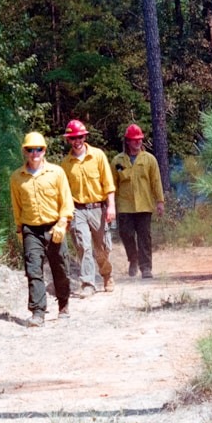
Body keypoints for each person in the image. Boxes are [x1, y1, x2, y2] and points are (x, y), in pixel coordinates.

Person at [9, 132, 74, 327]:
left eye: (38, 149)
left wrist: (62, 223)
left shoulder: (56, 173)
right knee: (33, 269)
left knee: (60, 267)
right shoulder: (17, 178)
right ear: (25, 152)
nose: (34, 153)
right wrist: (20, 229)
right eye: (30, 149)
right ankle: (38, 312)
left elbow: (66, 200)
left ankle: (63, 304)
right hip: (31, 229)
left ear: (44, 150)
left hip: (54, 226)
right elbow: (16, 205)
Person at [59, 119, 117, 296]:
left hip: (98, 208)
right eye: (73, 138)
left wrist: (111, 206)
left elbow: (108, 184)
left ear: (84, 137)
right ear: (69, 140)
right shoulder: (65, 164)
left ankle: (107, 274)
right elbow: (64, 193)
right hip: (77, 210)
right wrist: (65, 216)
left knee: (103, 248)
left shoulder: (98, 156)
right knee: (84, 246)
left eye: (80, 137)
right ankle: (88, 284)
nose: (77, 141)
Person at [111, 123, 164, 279]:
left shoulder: (149, 160)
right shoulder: (118, 161)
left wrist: (160, 201)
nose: (137, 142)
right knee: (126, 235)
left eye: (139, 139)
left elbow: (156, 181)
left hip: (144, 205)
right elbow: (112, 184)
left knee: (144, 237)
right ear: (127, 141)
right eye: (134, 140)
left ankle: (146, 267)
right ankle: (133, 259)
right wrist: (110, 205)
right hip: (125, 206)